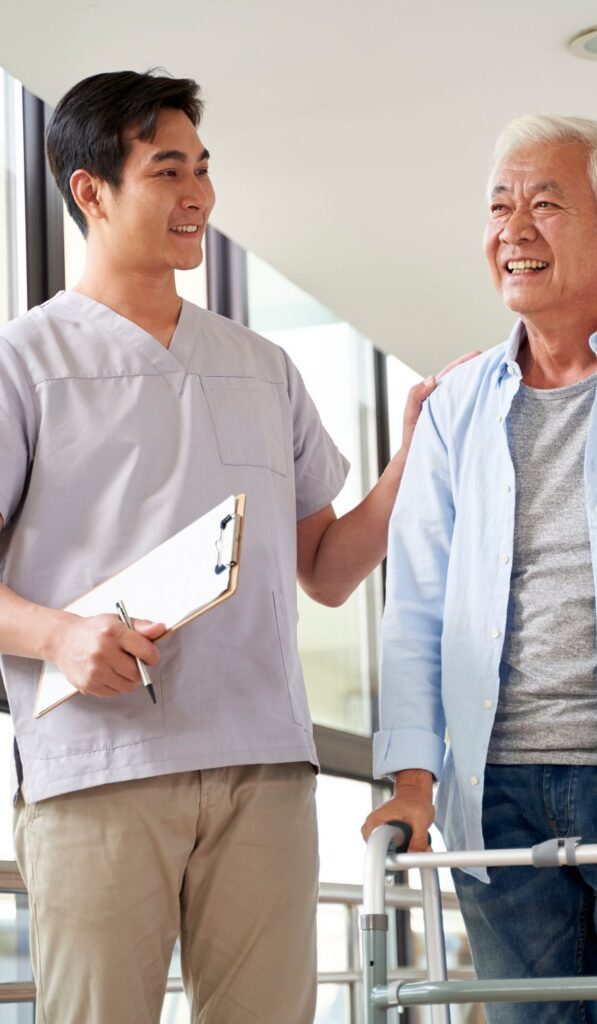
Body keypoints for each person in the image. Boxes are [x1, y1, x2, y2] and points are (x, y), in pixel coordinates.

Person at [0, 70, 472, 1024]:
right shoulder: (24, 365)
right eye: (167, 170)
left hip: (263, 767)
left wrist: (409, 460)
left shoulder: (264, 367)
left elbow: (329, 570)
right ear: (90, 192)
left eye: (203, 169)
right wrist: (54, 635)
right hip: (100, 769)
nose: (198, 196)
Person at [362, 113, 597, 1024]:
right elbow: (417, 606)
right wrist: (412, 786)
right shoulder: (457, 403)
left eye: (545, 203)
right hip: (496, 794)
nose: (512, 228)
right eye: (499, 205)